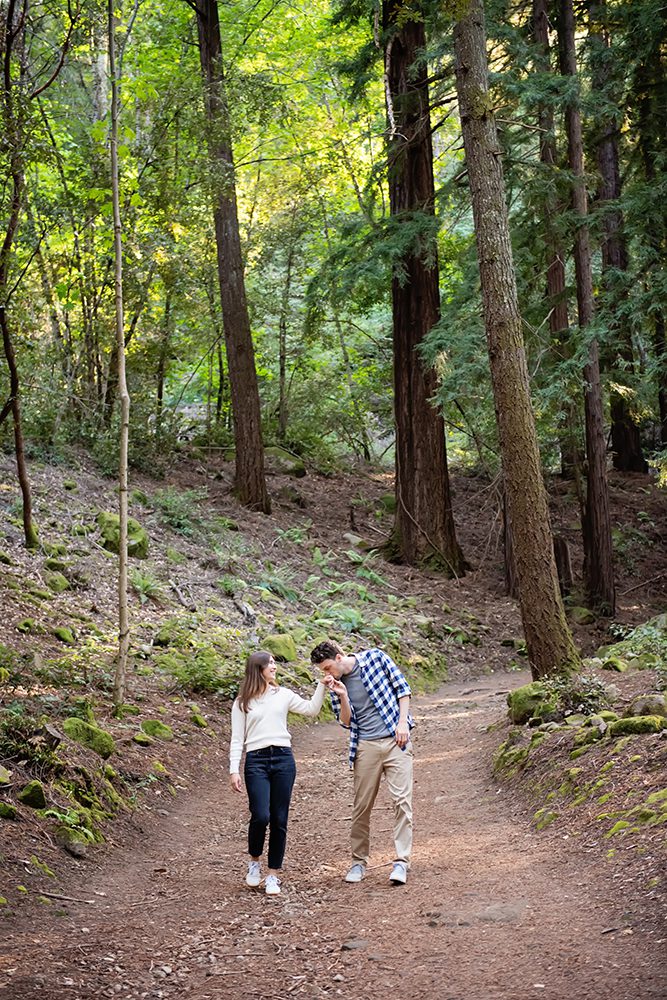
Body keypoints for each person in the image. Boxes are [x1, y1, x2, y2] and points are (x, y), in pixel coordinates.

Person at [310, 639, 414, 886]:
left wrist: (402, 724)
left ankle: (401, 862)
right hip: (365, 746)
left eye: (327, 668)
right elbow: (345, 722)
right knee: (362, 806)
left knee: (402, 801)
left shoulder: (376, 658)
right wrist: (342, 695)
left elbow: (403, 689)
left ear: (338, 657)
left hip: (395, 740)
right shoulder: (336, 685)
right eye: (322, 671)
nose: (326, 674)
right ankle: (358, 862)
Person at [229, 650, 326, 896]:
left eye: (274, 662)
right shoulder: (243, 701)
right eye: (270, 664)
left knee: (280, 818)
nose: (274, 667)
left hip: (283, 759)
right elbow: (237, 738)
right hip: (256, 761)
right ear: (258, 669)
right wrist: (234, 770)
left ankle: (273, 875)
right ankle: (254, 862)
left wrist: (321, 685)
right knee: (260, 815)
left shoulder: (283, 695)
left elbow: (311, 709)